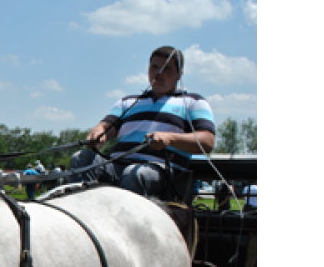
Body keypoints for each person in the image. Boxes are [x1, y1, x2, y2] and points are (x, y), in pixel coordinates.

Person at [70, 46, 216, 198]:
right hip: (118, 167)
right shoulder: (128, 102)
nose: (158, 74)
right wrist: (97, 135)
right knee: (82, 158)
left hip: (160, 173)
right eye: (154, 67)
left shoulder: (194, 102)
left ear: (179, 74)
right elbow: (106, 126)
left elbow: (207, 141)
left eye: (166, 69)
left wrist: (170, 139)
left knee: (136, 173)